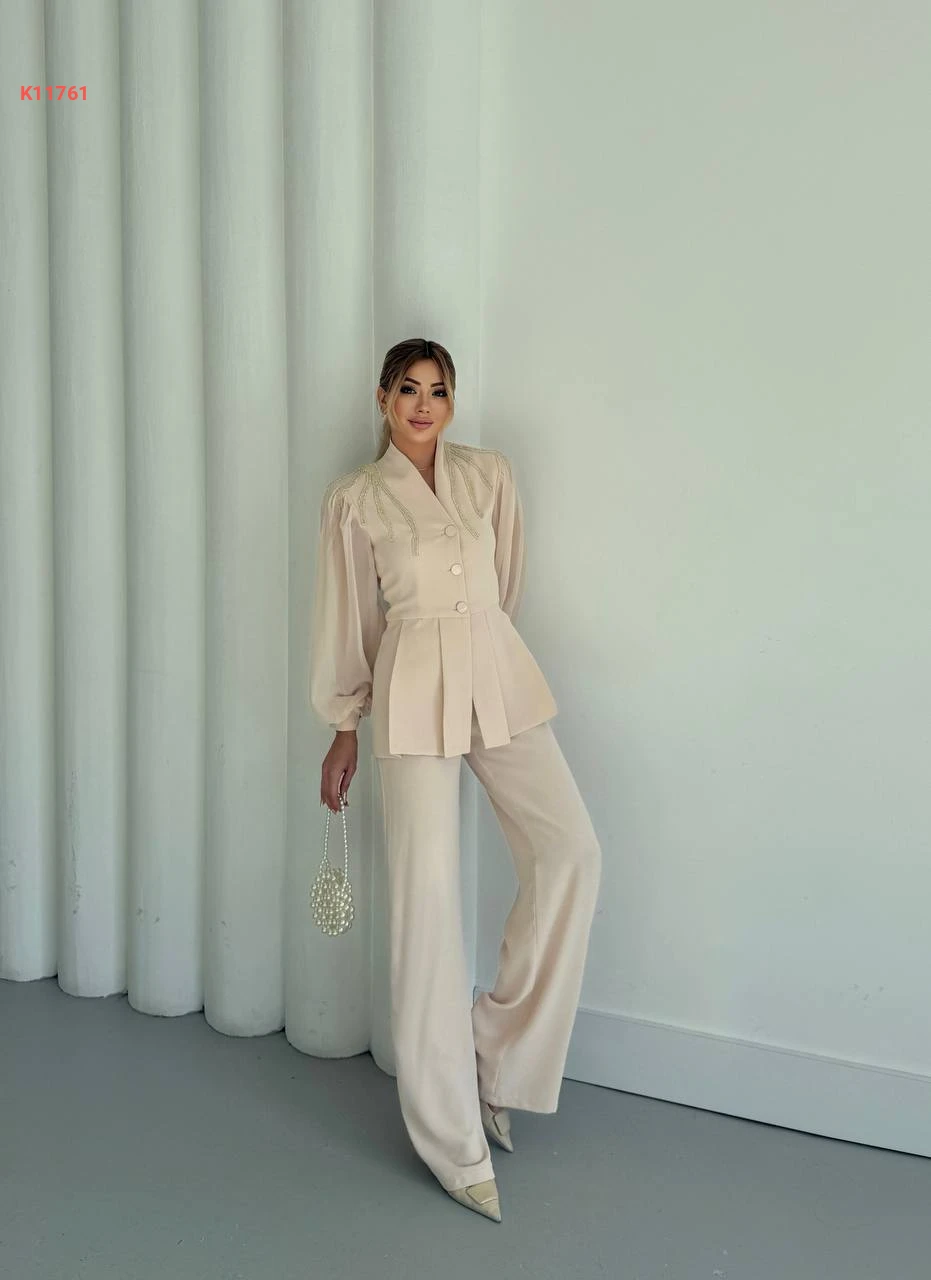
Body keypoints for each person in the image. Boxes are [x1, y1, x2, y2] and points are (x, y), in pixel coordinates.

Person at [308, 337, 602, 1222]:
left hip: (496, 675)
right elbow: (348, 621)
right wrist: (343, 727)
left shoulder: (488, 476)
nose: (423, 405)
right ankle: (447, 1135)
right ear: (382, 398)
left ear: (452, 399)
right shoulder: (356, 499)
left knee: (571, 854)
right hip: (408, 689)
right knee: (426, 906)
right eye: (408, 389)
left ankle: (493, 1059)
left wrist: (473, 647)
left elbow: (503, 584)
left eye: (438, 390)